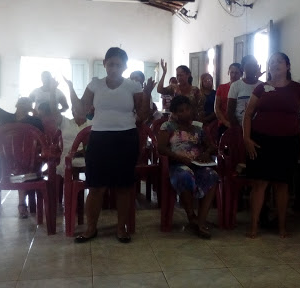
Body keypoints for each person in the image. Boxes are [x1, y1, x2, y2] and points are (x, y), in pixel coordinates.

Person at [70, 47, 154, 243]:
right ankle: (91, 228)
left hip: (126, 138)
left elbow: (142, 115)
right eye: (110, 64)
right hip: (99, 139)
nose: (114, 68)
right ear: (105, 64)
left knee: (124, 186)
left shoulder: (133, 86)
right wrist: (71, 90)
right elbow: (81, 112)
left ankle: (121, 228)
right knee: (96, 186)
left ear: (124, 66)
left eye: (118, 64)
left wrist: (148, 93)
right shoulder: (95, 85)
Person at [243, 52, 300, 238]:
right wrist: (247, 138)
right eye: (271, 62)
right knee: (260, 184)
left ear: (288, 66)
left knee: (282, 185)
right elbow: (248, 114)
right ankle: (254, 227)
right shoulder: (261, 88)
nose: (275, 64)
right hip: (260, 140)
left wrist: (292, 123)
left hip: (287, 141)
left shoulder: (297, 88)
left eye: (279, 61)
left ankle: (282, 227)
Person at [0, 64, 44, 219]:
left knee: (22, 160)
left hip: (20, 164)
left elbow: (42, 141)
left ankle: (21, 204)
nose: (24, 104)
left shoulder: (33, 122)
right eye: (23, 102)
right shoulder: (11, 119)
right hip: (13, 164)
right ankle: (20, 204)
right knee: (19, 161)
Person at [157, 96, 218, 239]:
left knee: (212, 175)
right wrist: (179, 157)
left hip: (197, 164)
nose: (185, 113)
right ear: (175, 113)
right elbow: (161, 148)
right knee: (185, 175)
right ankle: (192, 217)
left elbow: (211, 146)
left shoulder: (198, 128)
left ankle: (201, 221)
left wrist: (205, 153)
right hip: (177, 165)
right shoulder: (168, 127)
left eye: (187, 109)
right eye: (180, 111)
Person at [227, 55, 263, 127]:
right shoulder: (235, 85)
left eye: (254, 65)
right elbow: (230, 111)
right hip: (239, 126)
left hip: (259, 126)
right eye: (249, 65)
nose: (252, 68)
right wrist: (237, 127)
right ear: (242, 68)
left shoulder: (262, 85)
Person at [214, 63, 242, 139]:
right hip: (224, 123)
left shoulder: (243, 88)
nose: (233, 75)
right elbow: (217, 108)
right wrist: (225, 122)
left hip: (240, 123)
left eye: (236, 73)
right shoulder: (222, 87)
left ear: (241, 74)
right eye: (232, 72)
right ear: (228, 72)